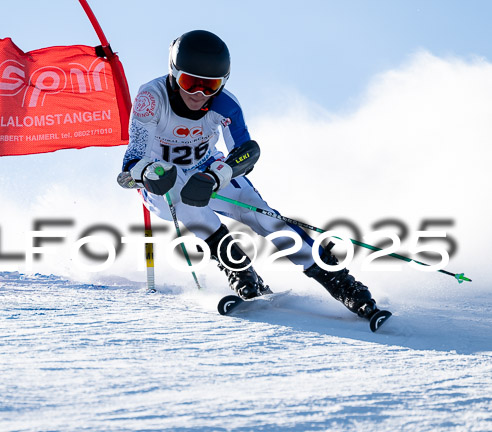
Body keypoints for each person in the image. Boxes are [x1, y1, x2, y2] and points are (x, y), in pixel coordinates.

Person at [120, 30, 380, 320]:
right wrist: (149, 174)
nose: (199, 94)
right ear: (173, 73)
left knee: (263, 216)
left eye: (211, 85)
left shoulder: (225, 104)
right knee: (189, 205)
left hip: (206, 168)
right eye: (190, 83)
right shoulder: (151, 99)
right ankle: (241, 272)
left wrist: (215, 177)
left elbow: (246, 151)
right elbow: (133, 159)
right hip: (163, 178)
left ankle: (343, 283)